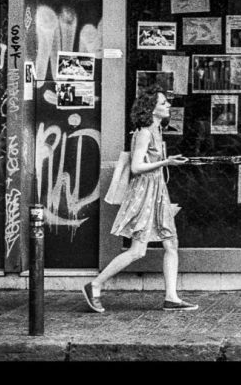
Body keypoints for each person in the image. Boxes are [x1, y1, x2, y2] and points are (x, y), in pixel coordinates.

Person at [83, 86, 196, 313]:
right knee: (138, 251)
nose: (168, 106)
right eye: (163, 103)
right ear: (151, 109)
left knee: (171, 243)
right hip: (145, 194)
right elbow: (136, 167)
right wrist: (166, 162)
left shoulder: (156, 130)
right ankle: (94, 285)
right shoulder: (145, 132)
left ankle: (171, 297)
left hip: (156, 193)